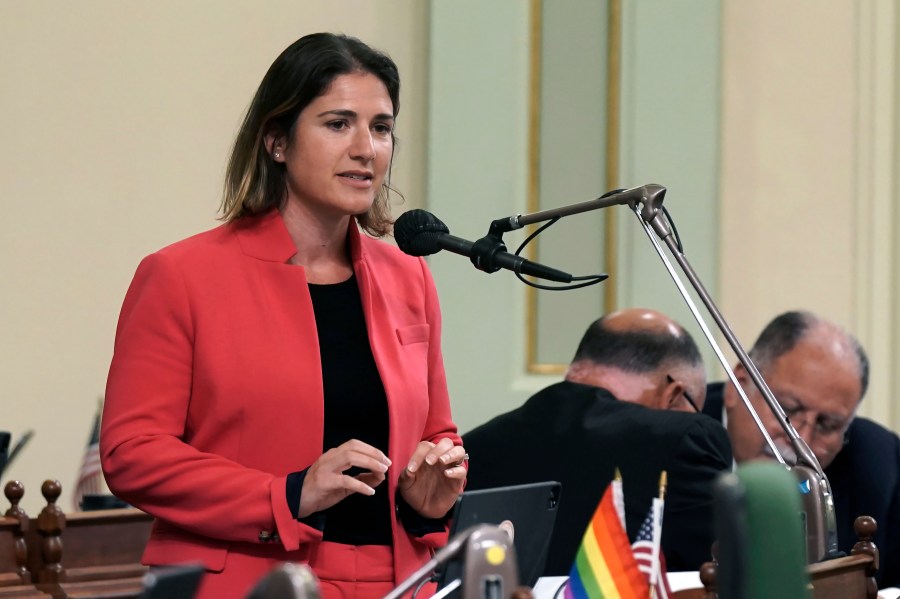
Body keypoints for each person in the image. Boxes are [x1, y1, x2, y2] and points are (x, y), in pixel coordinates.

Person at [100, 33, 467, 599]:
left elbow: (435, 432)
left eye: (381, 127)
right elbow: (133, 453)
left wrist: (430, 491)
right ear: (276, 141)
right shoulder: (181, 275)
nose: (366, 148)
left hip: (396, 579)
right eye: (338, 123)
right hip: (252, 577)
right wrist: (287, 493)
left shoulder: (409, 276)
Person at [463, 308, 732, 575]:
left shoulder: (472, 447)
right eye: (695, 406)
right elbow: (716, 576)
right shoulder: (687, 438)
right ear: (674, 393)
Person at [703, 310, 900, 587]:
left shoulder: (878, 461)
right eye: (787, 409)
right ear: (739, 386)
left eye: (827, 424)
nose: (802, 438)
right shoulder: (683, 435)